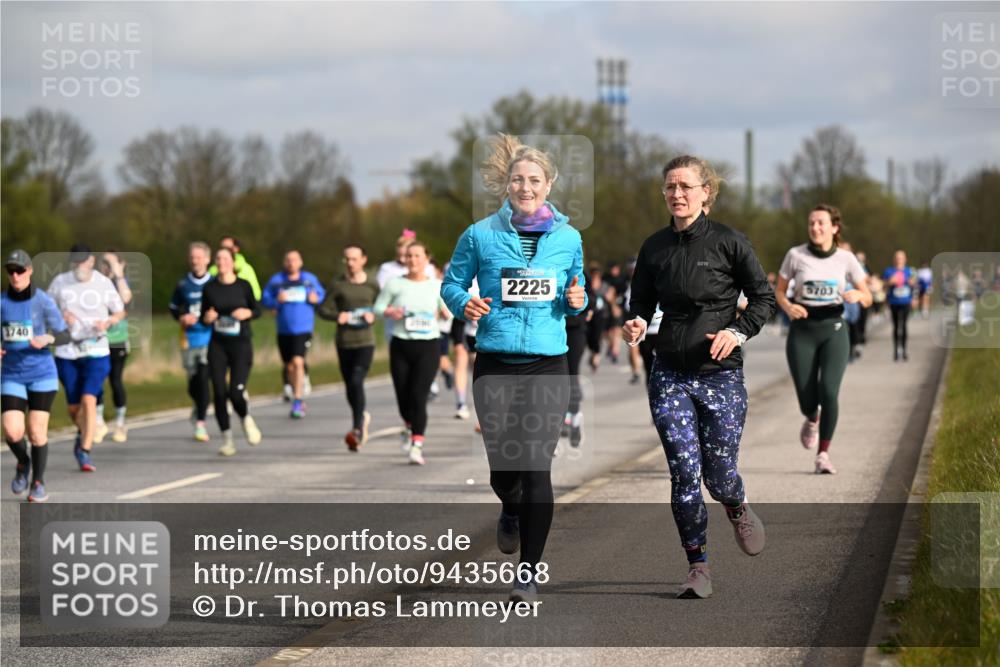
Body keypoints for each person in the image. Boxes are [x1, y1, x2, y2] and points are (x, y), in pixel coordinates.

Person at [442, 134, 587, 603]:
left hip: (548, 363)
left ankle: (528, 572)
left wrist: (575, 299)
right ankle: (509, 506)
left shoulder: (568, 238)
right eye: (517, 180)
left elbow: (574, 288)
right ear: (506, 185)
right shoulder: (480, 234)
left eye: (534, 180)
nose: (525, 187)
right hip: (495, 363)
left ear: (550, 185)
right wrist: (466, 303)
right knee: (505, 471)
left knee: (536, 466)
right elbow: (451, 283)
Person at [623, 155, 775, 599]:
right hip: (669, 373)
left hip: (721, 376)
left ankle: (737, 504)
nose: (677, 194)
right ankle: (698, 565)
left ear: (706, 192)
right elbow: (640, 305)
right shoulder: (654, 248)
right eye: (670, 187)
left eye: (686, 186)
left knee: (719, 475)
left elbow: (763, 298)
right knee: (684, 473)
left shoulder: (730, 242)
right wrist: (635, 324)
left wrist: (737, 330)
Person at [775, 205, 871, 474]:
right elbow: (779, 292)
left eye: (821, 223)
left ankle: (823, 455)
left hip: (834, 330)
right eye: (812, 223)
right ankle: (811, 417)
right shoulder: (795, 255)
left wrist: (859, 296)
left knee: (829, 391)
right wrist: (788, 306)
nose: (816, 228)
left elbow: (868, 295)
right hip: (802, 331)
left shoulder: (846, 258)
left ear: (834, 228)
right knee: (807, 399)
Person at [49, 244, 126, 473]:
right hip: (68, 352)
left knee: (89, 399)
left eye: (83, 261)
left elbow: (120, 311)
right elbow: (46, 311)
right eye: (75, 261)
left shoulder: (103, 283)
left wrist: (108, 322)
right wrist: (61, 317)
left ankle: (84, 450)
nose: (79, 265)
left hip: (97, 350)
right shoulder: (60, 282)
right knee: (74, 408)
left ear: (91, 261)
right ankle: (84, 433)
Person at [2, 250, 71, 502]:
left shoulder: (42, 301)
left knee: (36, 432)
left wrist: (48, 338)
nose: (15, 275)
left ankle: (38, 483)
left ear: (30, 271)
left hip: (42, 374)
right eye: (11, 271)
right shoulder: (1, 302)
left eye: (20, 270)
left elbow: (65, 334)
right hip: (12, 374)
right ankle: (23, 462)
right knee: (11, 431)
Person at [374, 241, 447, 465]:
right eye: (409, 256)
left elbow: (449, 311)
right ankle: (408, 424)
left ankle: (417, 444)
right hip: (401, 345)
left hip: (428, 345)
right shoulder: (395, 284)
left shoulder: (437, 285)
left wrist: (444, 312)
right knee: (403, 397)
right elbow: (377, 308)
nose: (412, 260)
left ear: (426, 259)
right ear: (404, 260)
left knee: (418, 395)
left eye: (417, 256)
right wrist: (390, 311)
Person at [201, 246, 262, 456]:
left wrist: (247, 313)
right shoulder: (210, 288)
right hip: (218, 345)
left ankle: (246, 419)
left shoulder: (243, 286)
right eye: (218, 259)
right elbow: (204, 315)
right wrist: (207, 318)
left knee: (235, 392)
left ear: (233, 262)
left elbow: (257, 310)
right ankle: (227, 439)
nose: (221, 262)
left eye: (225, 258)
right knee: (218, 391)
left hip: (241, 344)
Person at [319, 243, 380, 451]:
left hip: (365, 341)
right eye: (347, 259)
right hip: (344, 342)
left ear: (363, 260)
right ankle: (361, 415)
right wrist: (339, 316)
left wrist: (374, 314)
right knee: (350, 386)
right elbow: (323, 309)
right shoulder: (338, 284)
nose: (350, 263)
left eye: (354, 259)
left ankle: (357, 428)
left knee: (356, 380)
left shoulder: (372, 284)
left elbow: (382, 306)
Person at [262, 250, 326, 419]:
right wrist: (277, 300)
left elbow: (321, 294)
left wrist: (316, 298)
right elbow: (265, 299)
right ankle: (297, 387)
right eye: (288, 260)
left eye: (295, 260)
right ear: (284, 263)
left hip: (303, 328)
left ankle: (298, 400)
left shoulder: (309, 279)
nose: (291, 263)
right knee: (289, 366)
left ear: (301, 262)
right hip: (284, 329)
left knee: (298, 361)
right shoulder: (277, 281)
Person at [169, 242, 214, 442]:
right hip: (189, 340)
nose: (195, 261)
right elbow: (173, 307)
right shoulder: (182, 285)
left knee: (204, 379)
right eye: (192, 257)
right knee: (193, 384)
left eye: (199, 257)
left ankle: (200, 424)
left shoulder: (214, 283)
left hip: (210, 339)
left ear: (207, 259)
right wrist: (181, 317)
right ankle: (198, 407)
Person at [94, 251, 133, 443]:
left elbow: (125, 299)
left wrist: (118, 274)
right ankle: (99, 422)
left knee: (115, 380)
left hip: (118, 341)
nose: (106, 267)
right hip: (98, 340)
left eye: (110, 263)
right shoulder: (95, 285)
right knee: (97, 381)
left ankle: (119, 423)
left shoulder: (121, 284)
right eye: (104, 263)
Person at [882, 250, 916, 361]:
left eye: (901, 258)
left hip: (906, 302)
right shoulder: (889, 271)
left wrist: (913, 288)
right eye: (897, 258)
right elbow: (883, 285)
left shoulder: (909, 271)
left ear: (905, 259)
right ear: (894, 259)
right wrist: (889, 282)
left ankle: (904, 350)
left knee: (904, 326)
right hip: (894, 302)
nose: (899, 260)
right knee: (896, 326)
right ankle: (896, 350)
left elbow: (915, 286)